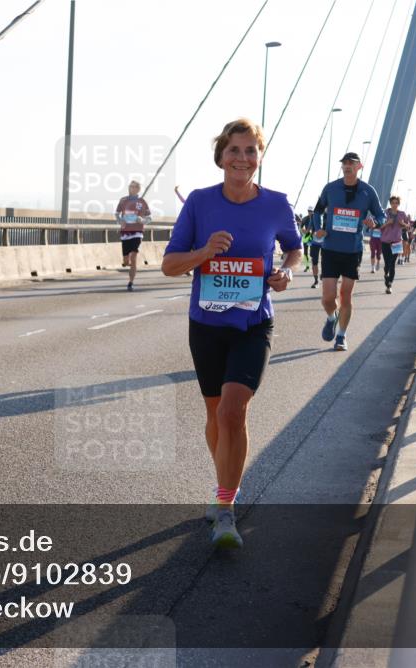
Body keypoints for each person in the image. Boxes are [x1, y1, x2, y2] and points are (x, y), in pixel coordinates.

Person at [161, 118, 302, 549]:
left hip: (253, 323)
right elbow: (169, 265)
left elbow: (295, 249)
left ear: (259, 157)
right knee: (214, 413)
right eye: (235, 150)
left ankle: (226, 508)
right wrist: (204, 252)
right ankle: (225, 482)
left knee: (233, 412)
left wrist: (285, 272)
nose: (243, 159)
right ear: (221, 155)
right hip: (206, 325)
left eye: (251, 151)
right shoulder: (200, 203)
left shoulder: (277, 203)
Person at [312, 152, 385, 351]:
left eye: (351, 163)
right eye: (344, 163)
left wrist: (375, 222)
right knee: (328, 298)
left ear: (359, 166)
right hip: (330, 248)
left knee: (345, 295)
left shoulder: (368, 191)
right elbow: (318, 210)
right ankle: (331, 317)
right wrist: (317, 227)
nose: (347, 166)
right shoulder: (331, 188)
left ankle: (342, 336)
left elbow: (381, 215)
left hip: (352, 251)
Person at [116, 181, 151, 291]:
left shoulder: (142, 202)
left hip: (137, 232)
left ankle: (130, 282)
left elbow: (150, 218)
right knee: (126, 260)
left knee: (134, 257)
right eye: (131, 186)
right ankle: (126, 261)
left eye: (135, 187)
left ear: (138, 189)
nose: (132, 188)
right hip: (125, 232)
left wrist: (142, 220)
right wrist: (120, 221)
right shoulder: (123, 200)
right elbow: (117, 214)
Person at [379, 195, 411, 294]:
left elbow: (408, 227)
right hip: (385, 241)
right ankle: (386, 274)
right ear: (390, 203)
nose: (394, 205)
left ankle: (389, 285)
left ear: (398, 204)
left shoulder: (402, 214)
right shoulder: (384, 213)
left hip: (397, 241)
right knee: (387, 263)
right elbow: (380, 227)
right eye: (393, 203)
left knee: (392, 263)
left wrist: (404, 224)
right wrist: (387, 223)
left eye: (396, 203)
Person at [304, 206, 322, 288]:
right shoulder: (314, 216)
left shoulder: (329, 214)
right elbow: (308, 229)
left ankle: (324, 274)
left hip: (327, 243)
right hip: (315, 242)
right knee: (314, 261)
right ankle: (316, 281)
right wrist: (305, 232)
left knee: (326, 261)